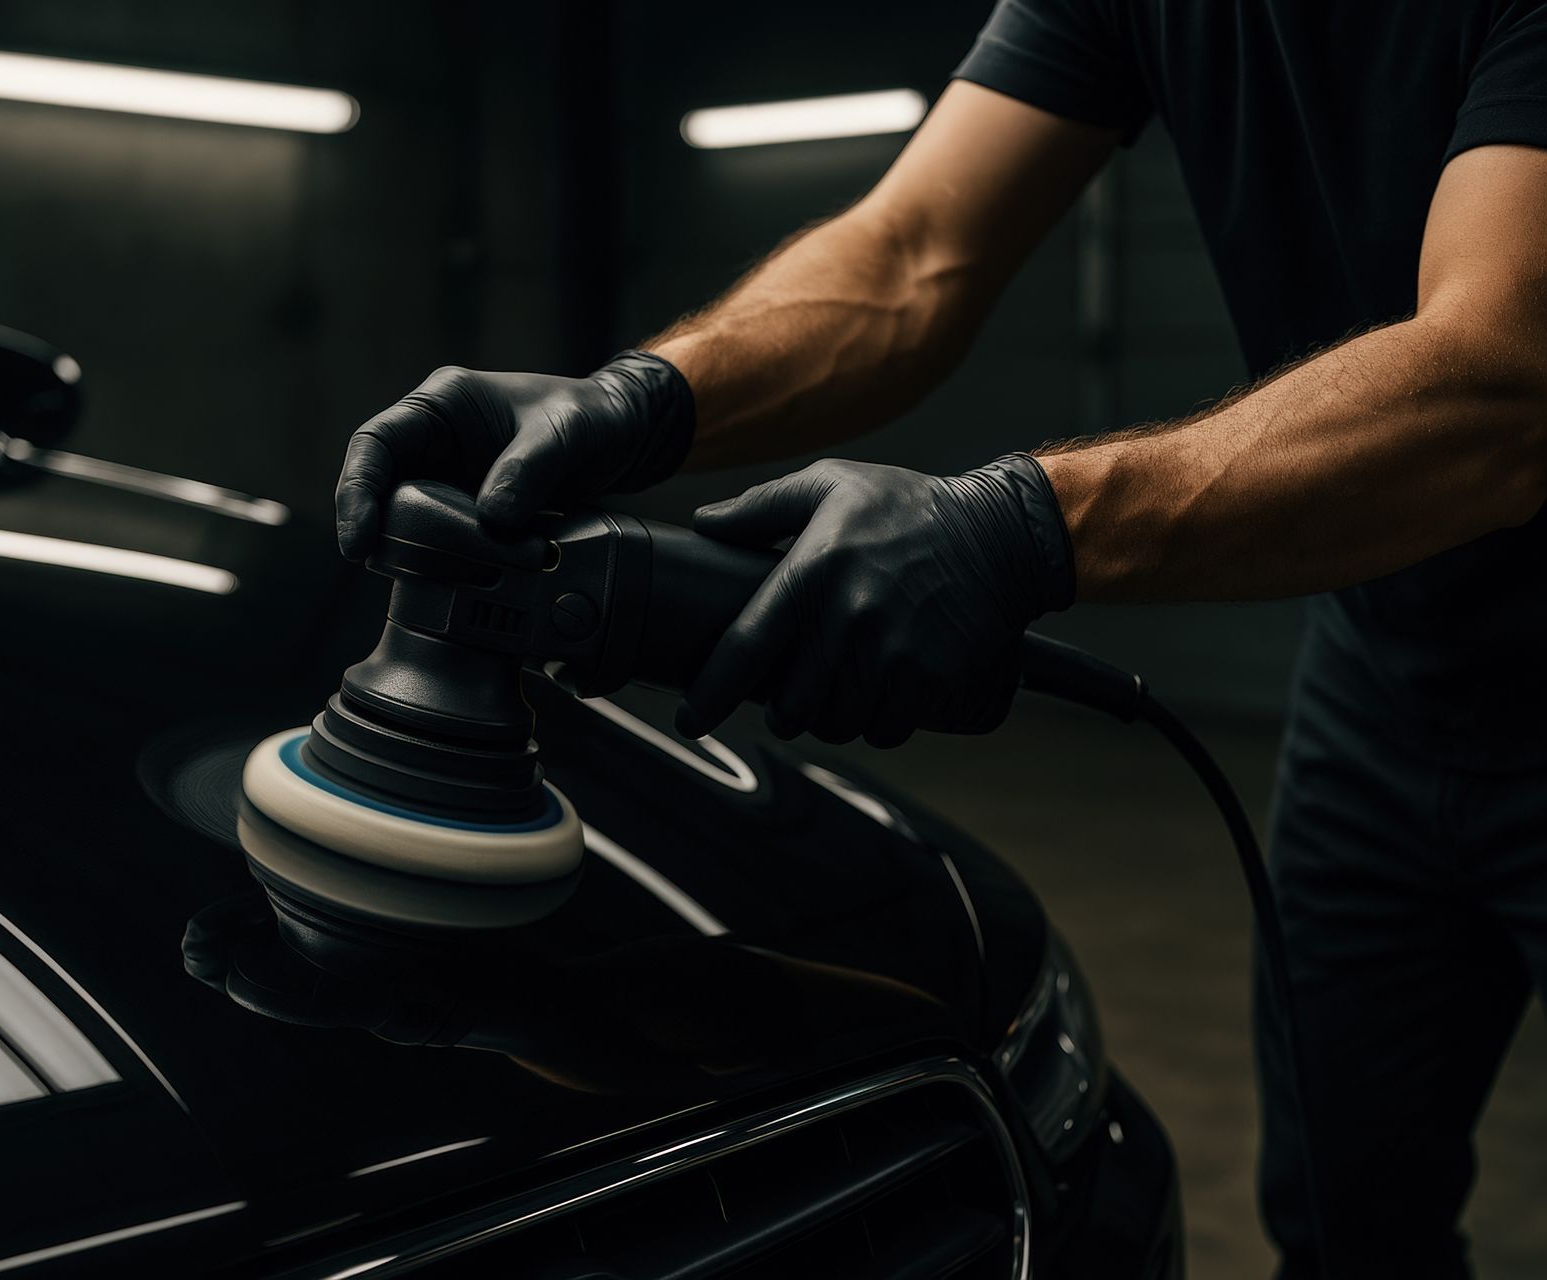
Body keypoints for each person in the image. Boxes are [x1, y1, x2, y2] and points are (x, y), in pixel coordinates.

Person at [333, 4, 1547, 1275]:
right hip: (1380, 689)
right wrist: (637, 400)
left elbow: (1498, 384)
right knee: (1347, 1223)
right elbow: (911, 256)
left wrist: (1015, 528)